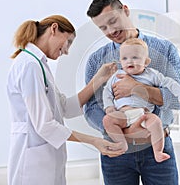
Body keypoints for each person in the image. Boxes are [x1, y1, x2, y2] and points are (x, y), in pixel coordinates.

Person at [7, 15, 125, 185]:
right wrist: (94, 141)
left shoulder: (39, 65)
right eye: (68, 42)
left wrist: (99, 79)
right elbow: (45, 125)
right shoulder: (29, 66)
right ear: (54, 29)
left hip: (46, 160)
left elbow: (65, 108)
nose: (67, 50)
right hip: (33, 166)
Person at [85, 0, 180, 185]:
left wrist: (138, 89)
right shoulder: (96, 60)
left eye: (113, 21)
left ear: (125, 10)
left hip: (157, 146)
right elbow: (90, 109)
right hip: (116, 150)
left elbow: (178, 101)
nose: (111, 31)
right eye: (103, 28)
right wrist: (124, 129)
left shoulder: (165, 50)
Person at [103, 38, 180, 163]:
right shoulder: (116, 76)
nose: (130, 61)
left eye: (135, 57)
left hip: (144, 114)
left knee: (156, 122)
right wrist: (109, 107)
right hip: (122, 114)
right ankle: (122, 144)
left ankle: (158, 152)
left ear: (146, 61)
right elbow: (107, 91)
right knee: (108, 120)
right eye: (125, 58)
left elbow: (170, 83)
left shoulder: (151, 75)